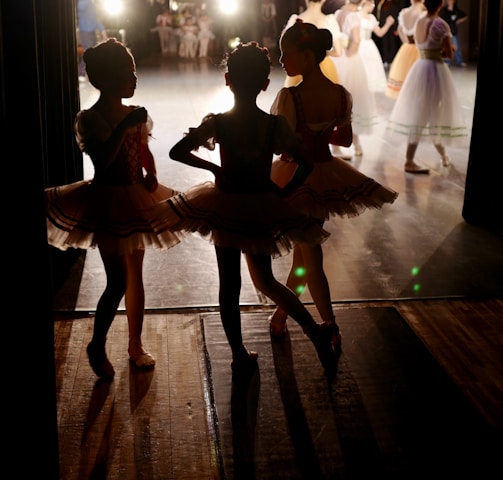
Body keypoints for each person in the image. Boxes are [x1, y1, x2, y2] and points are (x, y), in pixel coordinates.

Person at [154, 42, 337, 373]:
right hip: (258, 206)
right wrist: (284, 192)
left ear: (227, 80)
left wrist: (213, 169)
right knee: (267, 281)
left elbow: (177, 151)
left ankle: (238, 354)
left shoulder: (220, 123)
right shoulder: (272, 126)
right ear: (265, 84)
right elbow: (306, 164)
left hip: (225, 207)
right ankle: (315, 332)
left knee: (230, 285)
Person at [45, 39, 184, 378]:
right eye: (128, 73)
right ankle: (97, 342)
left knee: (134, 275)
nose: (135, 79)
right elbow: (104, 160)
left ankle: (135, 343)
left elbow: (141, 146)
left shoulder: (134, 114)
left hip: (135, 197)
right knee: (117, 279)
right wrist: (124, 127)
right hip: (107, 200)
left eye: (134, 72)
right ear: (108, 79)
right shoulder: (91, 119)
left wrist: (150, 172)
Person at [269, 19, 398, 350]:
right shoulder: (340, 95)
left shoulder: (290, 97)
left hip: (297, 177)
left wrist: (301, 136)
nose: (282, 60)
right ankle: (281, 316)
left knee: (310, 257)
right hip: (326, 175)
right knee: (304, 256)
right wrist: (321, 132)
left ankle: (329, 326)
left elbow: (281, 146)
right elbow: (345, 138)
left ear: (309, 56)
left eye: (287, 54)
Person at [386, 0, 468, 173]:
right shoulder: (440, 24)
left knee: (423, 112)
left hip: (420, 67)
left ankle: (441, 155)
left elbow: (418, 43)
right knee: (431, 114)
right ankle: (413, 160)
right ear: (439, 5)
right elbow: (449, 55)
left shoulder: (420, 22)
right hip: (434, 69)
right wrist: (449, 49)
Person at [333, 0, 379, 157]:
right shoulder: (353, 16)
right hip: (349, 60)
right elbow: (357, 39)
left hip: (336, 59)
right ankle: (357, 145)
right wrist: (350, 54)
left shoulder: (339, 13)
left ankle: (336, 147)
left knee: (338, 102)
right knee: (352, 103)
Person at [282, 0, 343, 88]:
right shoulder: (329, 20)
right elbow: (338, 52)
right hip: (323, 67)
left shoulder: (294, 20)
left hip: (300, 64)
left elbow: (285, 45)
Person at [385, 0, 426, 99]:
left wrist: (406, 42)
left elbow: (400, 29)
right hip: (418, 49)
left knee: (405, 78)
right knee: (418, 82)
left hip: (406, 49)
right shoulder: (423, 14)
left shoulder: (404, 12)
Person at [358, 0, 396, 92]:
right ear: (367, 3)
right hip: (359, 45)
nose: (374, 6)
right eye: (373, 4)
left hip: (369, 46)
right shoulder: (356, 16)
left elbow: (379, 33)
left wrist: (388, 24)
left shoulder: (371, 18)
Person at [77, 0, 107, 80]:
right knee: (88, 51)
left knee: (94, 51)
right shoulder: (85, 1)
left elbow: (95, 19)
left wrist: (102, 30)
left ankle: (94, 73)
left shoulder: (93, 4)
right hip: (85, 30)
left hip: (92, 30)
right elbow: (79, 7)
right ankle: (80, 73)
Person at [439, 0, 468, 67]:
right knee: (446, 47)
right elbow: (440, 18)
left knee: (456, 47)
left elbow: (465, 16)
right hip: (446, 32)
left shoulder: (456, 11)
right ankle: (446, 61)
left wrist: (458, 21)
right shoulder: (444, 10)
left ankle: (460, 62)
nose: (449, 1)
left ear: (454, 1)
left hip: (454, 32)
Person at [374, 0, 401, 68]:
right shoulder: (382, 4)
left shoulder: (395, 5)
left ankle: (391, 60)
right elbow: (380, 16)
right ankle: (386, 60)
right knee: (385, 44)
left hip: (392, 28)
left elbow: (397, 16)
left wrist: (396, 28)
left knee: (393, 44)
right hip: (384, 27)